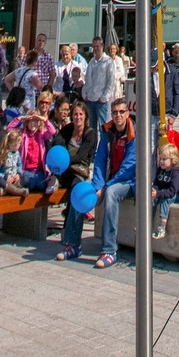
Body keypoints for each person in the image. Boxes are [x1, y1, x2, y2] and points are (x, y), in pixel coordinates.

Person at [91, 98, 137, 269]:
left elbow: (129, 167)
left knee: (111, 194)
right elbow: (100, 159)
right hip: (111, 178)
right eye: (115, 112)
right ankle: (72, 243)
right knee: (83, 189)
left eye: (121, 112)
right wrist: (97, 185)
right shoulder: (107, 130)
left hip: (130, 182)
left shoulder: (134, 132)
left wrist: (107, 186)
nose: (118, 115)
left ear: (127, 113)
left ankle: (109, 250)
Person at [53, 100, 99, 260]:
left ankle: (72, 243)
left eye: (81, 114)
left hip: (79, 172)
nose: (77, 117)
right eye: (75, 114)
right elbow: (57, 140)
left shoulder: (90, 134)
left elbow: (81, 156)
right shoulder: (68, 129)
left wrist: (64, 158)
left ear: (85, 117)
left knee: (76, 191)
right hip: (64, 171)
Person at [151, 142, 179, 238]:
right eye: (160, 159)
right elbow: (156, 183)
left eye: (164, 159)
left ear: (172, 160)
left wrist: (158, 194)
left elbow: (172, 191)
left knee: (166, 199)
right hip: (164, 191)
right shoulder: (160, 170)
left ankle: (162, 227)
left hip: (177, 194)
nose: (161, 161)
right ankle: (147, 223)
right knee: (152, 199)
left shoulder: (176, 174)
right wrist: (154, 190)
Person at [83, 36, 116, 132]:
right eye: (94, 47)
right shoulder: (91, 62)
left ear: (102, 46)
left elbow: (111, 81)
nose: (95, 49)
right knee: (91, 128)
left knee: (103, 127)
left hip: (100, 101)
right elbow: (87, 80)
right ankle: (93, 146)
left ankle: (103, 146)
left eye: (97, 46)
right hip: (90, 99)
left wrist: (104, 97)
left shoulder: (108, 61)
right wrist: (85, 94)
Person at [0, 130, 28, 196]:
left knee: (26, 178)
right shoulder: (3, 154)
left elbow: (19, 165)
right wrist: (5, 177)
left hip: (14, 179)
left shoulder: (17, 153)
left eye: (19, 144)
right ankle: (17, 191)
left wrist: (18, 174)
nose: (18, 146)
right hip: (6, 179)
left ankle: (5, 191)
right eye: (16, 145)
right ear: (10, 144)